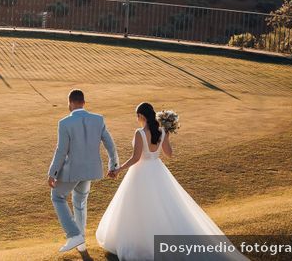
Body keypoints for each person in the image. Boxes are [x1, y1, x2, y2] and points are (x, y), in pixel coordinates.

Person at [95, 102, 245, 260]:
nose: (137, 119)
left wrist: (118, 169)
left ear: (141, 116)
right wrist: (167, 135)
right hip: (157, 170)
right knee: (160, 207)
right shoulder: (161, 131)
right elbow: (169, 153)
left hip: (140, 174)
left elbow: (135, 158)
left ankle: (142, 243)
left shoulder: (140, 133)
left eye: (137, 116)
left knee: (139, 208)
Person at [47, 89, 119, 252]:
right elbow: (110, 144)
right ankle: (81, 243)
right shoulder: (98, 119)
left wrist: (52, 173)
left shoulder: (64, 123)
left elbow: (61, 150)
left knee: (57, 197)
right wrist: (113, 165)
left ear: (70, 103)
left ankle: (74, 235)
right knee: (79, 203)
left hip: (73, 171)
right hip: (91, 171)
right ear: (83, 103)